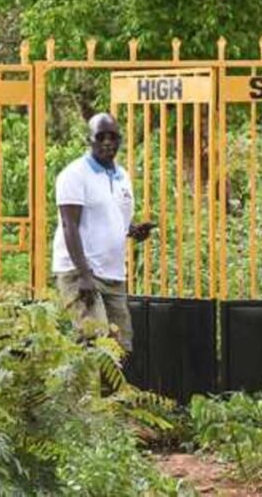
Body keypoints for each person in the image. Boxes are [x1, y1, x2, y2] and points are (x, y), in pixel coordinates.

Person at [51, 112, 156, 354]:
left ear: (120, 140)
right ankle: (84, 393)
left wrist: (132, 231)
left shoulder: (122, 176)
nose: (107, 142)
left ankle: (109, 394)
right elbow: (69, 225)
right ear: (89, 140)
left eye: (113, 137)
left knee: (121, 346)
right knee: (96, 344)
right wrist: (84, 275)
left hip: (113, 275)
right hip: (82, 273)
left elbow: (114, 220)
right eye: (100, 137)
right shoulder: (74, 175)